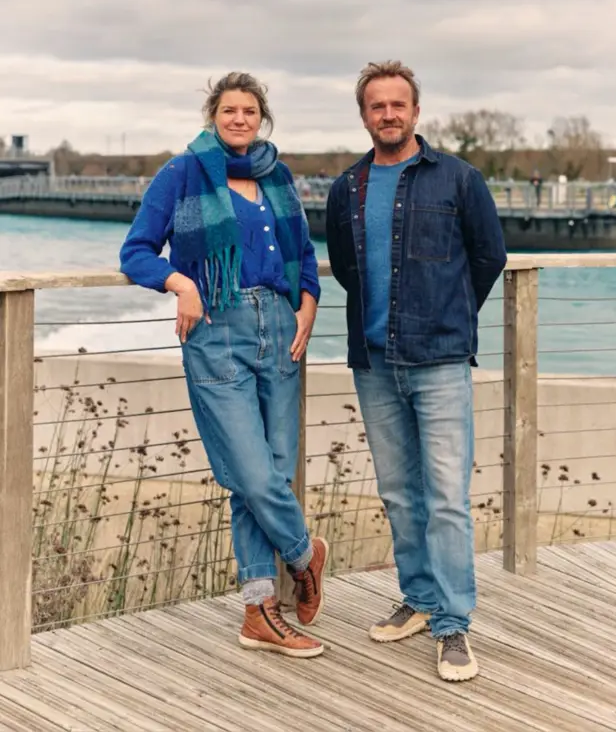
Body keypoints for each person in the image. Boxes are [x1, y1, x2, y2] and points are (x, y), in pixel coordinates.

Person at [120, 71, 328, 658]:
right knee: (251, 472)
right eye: (230, 110)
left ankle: (259, 611)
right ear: (213, 115)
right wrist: (180, 282)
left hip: (280, 329)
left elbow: (303, 254)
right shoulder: (182, 172)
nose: (240, 119)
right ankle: (303, 554)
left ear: (262, 119)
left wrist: (309, 306)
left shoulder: (278, 176)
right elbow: (136, 251)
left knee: (271, 472)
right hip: (216, 329)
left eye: (250, 111)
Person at [326, 61, 507, 682]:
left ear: (416, 112)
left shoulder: (459, 179)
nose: (388, 114)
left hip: (440, 362)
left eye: (397, 104)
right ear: (364, 116)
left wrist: (447, 316)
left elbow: (489, 256)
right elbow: (346, 270)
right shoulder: (346, 188)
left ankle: (453, 625)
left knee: (447, 498)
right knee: (399, 493)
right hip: (375, 364)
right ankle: (420, 598)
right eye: (377, 106)